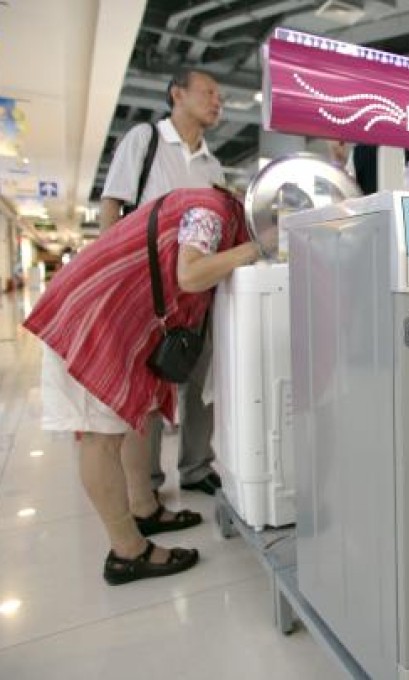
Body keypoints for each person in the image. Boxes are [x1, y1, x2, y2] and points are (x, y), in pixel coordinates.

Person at [23, 188, 262, 584]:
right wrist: (254, 249)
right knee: (102, 436)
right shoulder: (211, 210)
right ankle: (126, 552)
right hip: (93, 319)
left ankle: (143, 508)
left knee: (140, 414)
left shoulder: (213, 210)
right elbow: (190, 273)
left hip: (117, 318)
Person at [99, 68, 226, 496]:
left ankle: (196, 467)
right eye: (208, 92)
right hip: (146, 292)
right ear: (177, 94)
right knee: (150, 389)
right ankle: (146, 482)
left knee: (198, 380)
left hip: (197, 294)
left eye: (219, 95)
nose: (217, 101)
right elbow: (112, 205)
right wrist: (112, 274)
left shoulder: (213, 165)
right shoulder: (145, 141)